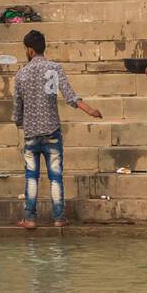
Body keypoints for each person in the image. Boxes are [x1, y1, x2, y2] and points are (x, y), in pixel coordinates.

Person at [13, 29, 103, 229]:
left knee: (31, 176)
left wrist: (20, 122)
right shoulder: (54, 69)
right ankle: (59, 218)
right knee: (55, 176)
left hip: (31, 134)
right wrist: (89, 110)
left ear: (29, 50)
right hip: (52, 131)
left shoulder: (21, 74)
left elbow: (17, 108)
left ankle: (29, 219)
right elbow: (69, 95)